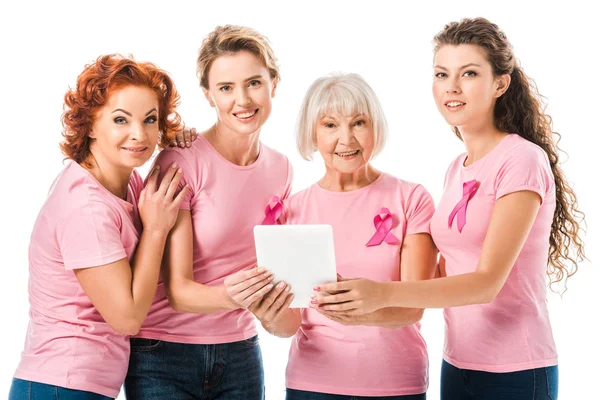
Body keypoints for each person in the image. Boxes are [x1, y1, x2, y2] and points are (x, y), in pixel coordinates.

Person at [313, 18, 585, 400]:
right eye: (442, 74)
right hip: (458, 365)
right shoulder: (458, 168)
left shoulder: (522, 160)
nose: (452, 87)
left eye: (469, 73)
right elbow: (447, 272)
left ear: (500, 84)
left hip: (516, 370)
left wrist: (382, 292)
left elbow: (486, 282)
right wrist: (361, 308)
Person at [124, 25, 292, 400]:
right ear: (208, 95)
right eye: (226, 88)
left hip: (241, 350)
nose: (243, 100)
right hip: (164, 353)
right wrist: (238, 297)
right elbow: (180, 292)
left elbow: (275, 261)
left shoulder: (281, 169)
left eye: (254, 83)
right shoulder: (183, 160)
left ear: (274, 83)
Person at [9, 54, 187, 400]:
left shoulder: (128, 181)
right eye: (121, 120)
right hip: (60, 386)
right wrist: (154, 230)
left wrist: (188, 144)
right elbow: (127, 319)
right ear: (90, 125)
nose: (139, 134)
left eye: (150, 120)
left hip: (83, 386)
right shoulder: (85, 206)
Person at [251, 73, 437, 399]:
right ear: (313, 133)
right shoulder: (291, 210)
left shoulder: (411, 198)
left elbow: (414, 306)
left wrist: (356, 314)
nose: (346, 139)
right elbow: (289, 324)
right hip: (312, 383)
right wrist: (267, 312)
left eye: (359, 123)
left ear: (375, 127)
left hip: (395, 383)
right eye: (330, 125)